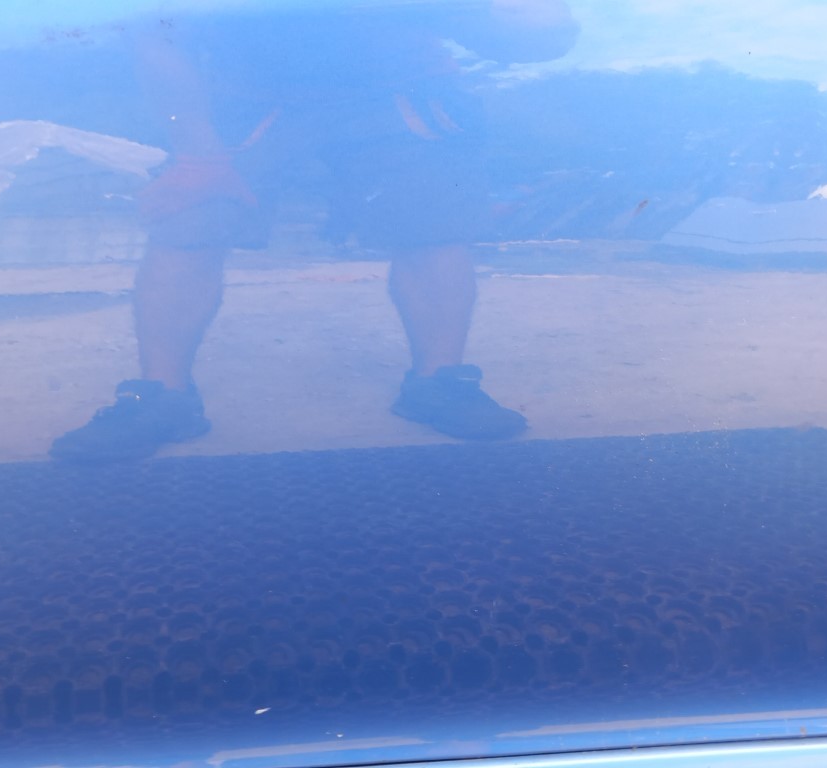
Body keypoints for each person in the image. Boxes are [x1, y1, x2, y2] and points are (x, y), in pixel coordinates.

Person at [52, 0, 576, 462]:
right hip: (247, 91)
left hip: (399, 88)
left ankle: (440, 382)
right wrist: (197, 154)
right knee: (190, 222)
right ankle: (162, 396)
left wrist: (537, 25)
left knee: (433, 228)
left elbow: (526, 36)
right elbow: (156, 33)